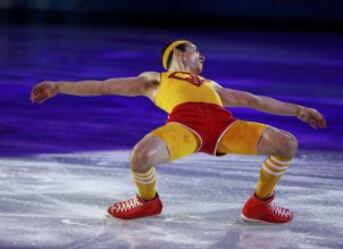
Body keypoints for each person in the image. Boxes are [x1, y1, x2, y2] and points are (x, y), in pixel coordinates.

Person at [30, 40, 326, 224]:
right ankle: (148, 202)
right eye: (199, 53)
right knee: (141, 157)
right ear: (180, 51)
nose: (203, 59)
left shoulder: (213, 85)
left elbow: (254, 100)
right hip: (184, 128)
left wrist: (299, 110)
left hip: (225, 127)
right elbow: (103, 85)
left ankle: (261, 204)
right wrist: (59, 86)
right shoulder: (154, 79)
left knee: (286, 143)